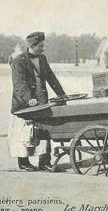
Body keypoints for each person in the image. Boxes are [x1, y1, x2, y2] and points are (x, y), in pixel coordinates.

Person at [8, 31, 67, 172]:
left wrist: (62, 94)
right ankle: (23, 163)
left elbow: (51, 78)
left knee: (44, 131)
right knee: (25, 133)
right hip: (24, 104)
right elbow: (19, 84)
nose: (43, 48)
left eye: (43, 45)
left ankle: (44, 162)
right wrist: (30, 99)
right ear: (32, 45)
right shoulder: (18, 61)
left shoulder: (42, 58)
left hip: (41, 102)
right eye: (40, 46)